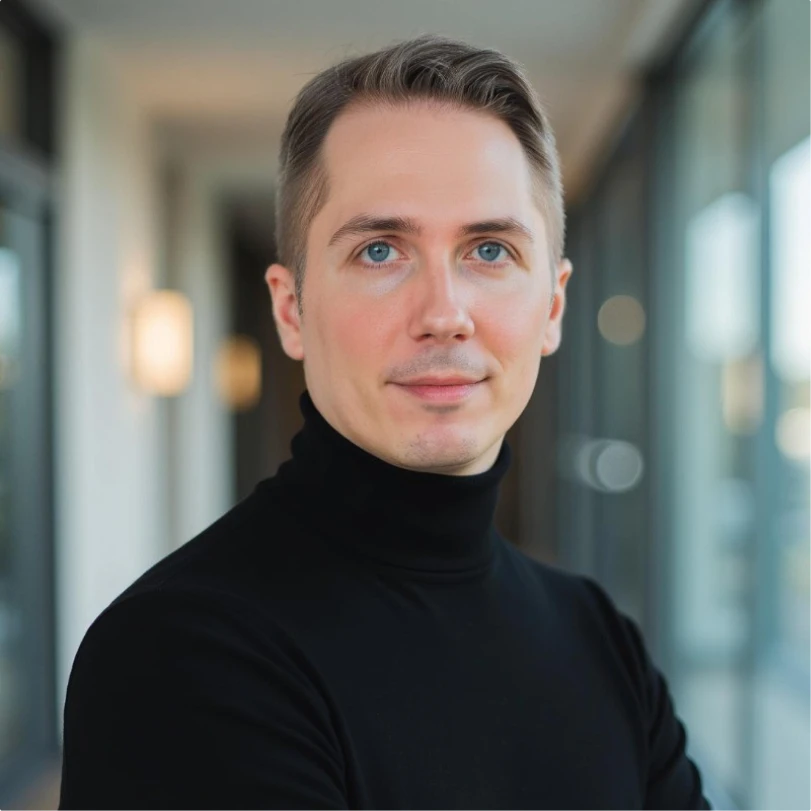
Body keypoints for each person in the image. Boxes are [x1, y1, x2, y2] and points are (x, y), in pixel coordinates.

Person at [58, 34, 711, 811]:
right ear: (290, 309)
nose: (443, 315)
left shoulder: (599, 638)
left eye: (490, 249)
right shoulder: (179, 652)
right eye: (378, 251)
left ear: (554, 306)